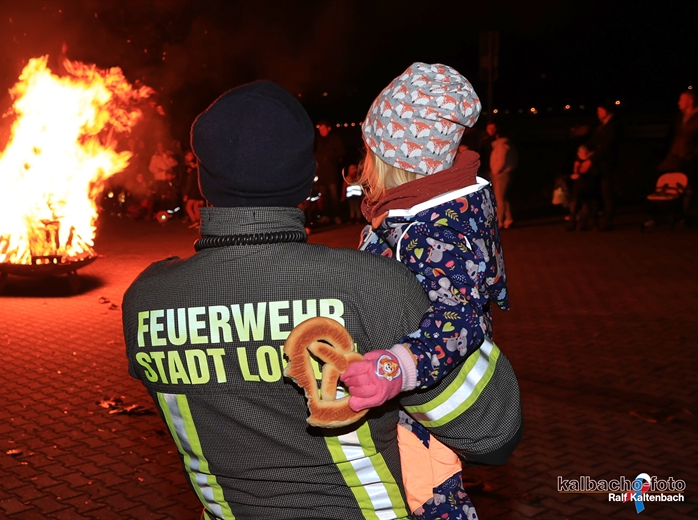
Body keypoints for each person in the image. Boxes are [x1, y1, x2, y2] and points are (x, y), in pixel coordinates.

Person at [122, 80, 520, 520]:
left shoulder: (145, 301)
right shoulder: (374, 286)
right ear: (308, 175)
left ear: (202, 176)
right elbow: (493, 435)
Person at [346, 62, 520, 520]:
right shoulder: (413, 213)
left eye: (371, 151)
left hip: (422, 417)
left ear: (396, 159)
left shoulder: (434, 230)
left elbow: (458, 318)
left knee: (431, 502)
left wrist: (395, 368)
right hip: (404, 410)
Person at [587, 102, 621, 230]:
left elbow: (607, 146)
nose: (597, 113)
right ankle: (593, 218)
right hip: (598, 163)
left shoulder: (614, 126)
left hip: (607, 163)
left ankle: (608, 219)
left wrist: (592, 158)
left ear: (607, 111)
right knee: (596, 190)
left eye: (600, 110)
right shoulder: (601, 126)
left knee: (607, 191)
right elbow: (593, 141)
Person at [657, 89, 698, 178]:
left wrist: (692, 156)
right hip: (674, 155)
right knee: (661, 172)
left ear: (690, 101)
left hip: (687, 158)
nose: (678, 103)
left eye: (682, 100)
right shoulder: (679, 117)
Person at [314, 119, 347, 223]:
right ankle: (326, 215)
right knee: (324, 196)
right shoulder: (317, 141)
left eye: (323, 129)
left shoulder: (334, 139)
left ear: (328, 128)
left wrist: (329, 157)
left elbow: (341, 151)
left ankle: (337, 215)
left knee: (334, 195)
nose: (322, 131)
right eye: (320, 129)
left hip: (332, 173)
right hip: (321, 173)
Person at [486, 122, 517, 229]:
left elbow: (501, 161)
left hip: (501, 174)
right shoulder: (507, 144)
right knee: (504, 197)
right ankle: (508, 219)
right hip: (505, 173)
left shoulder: (501, 145)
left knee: (499, 198)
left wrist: (495, 171)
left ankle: (500, 221)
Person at [567, 144, 602, 231]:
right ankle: (572, 224)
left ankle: (593, 224)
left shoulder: (592, 162)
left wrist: (582, 175)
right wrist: (572, 176)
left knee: (593, 206)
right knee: (576, 205)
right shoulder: (577, 162)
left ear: (588, 153)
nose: (580, 154)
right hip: (579, 188)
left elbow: (595, 174)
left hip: (591, 187)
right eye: (579, 152)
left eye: (582, 152)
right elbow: (575, 173)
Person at [181, 151, 204, 228]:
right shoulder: (191, 170)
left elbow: (190, 183)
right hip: (196, 190)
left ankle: (195, 220)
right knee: (196, 207)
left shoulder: (194, 172)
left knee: (189, 207)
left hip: (194, 191)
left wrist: (186, 194)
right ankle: (198, 222)